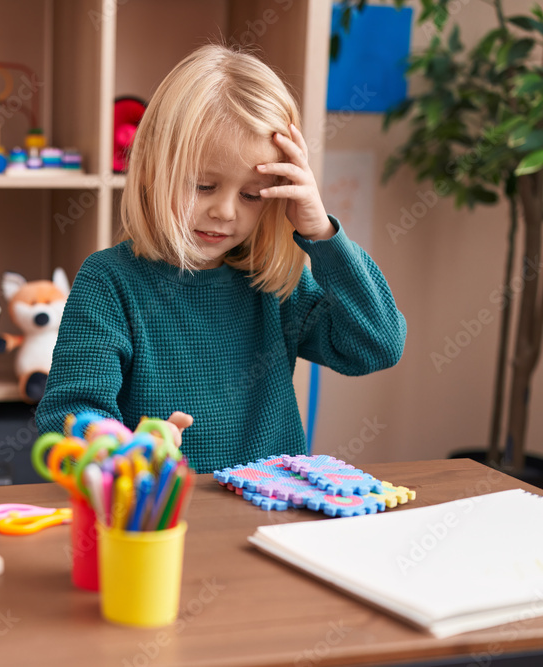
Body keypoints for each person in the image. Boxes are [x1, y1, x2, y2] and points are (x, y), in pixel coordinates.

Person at [35, 45, 406, 473]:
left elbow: (377, 346)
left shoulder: (273, 281)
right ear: (151, 167)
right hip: (159, 507)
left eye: (251, 195)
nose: (226, 212)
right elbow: (69, 416)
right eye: (203, 186)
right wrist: (124, 448)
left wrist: (321, 233)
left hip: (270, 505)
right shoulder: (108, 281)